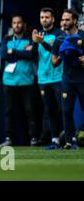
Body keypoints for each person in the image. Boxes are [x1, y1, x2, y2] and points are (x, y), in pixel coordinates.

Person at [0, 14, 39, 147]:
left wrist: (14, 52)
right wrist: (22, 52)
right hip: (9, 81)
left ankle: (33, 138)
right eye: (14, 23)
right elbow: (4, 54)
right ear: (12, 25)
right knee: (9, 111)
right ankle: (9, 138)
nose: (17, 25)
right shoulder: (7, 39)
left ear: (24, 24)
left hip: (27, 80)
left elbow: (32, 53)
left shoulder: (30, 39)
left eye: (19, 22)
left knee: (30, 110)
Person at [52, 9, 84, 149]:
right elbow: (54, 62)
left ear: (75, 21)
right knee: (66, 110)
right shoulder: (59, 39)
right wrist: (63, 53)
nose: (64, 23)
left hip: (82, 78)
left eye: (67, 20)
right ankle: (69, 141)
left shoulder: (83, 35)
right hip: (67, 79)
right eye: (63, 20)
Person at [32, 8, 64, 149]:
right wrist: (34, 43)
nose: (44, 19)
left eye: (46, 17)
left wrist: (42, 42)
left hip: (58, 77)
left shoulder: (59, 34)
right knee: (49, 109)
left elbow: (56, 50)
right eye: (42, 17)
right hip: (43, 79)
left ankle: (67, 137)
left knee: (63, 109)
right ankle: (54, 139)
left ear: (53, 19)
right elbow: (32, 55)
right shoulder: (38, 34)